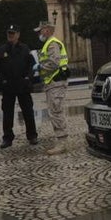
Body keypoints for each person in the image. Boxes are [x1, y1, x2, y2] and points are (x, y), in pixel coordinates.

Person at [0, 24, 38, 147]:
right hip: (8, 86)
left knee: (28, 111)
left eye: (13, 33)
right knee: (7, 113)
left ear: (18, 35)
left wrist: (28, 78)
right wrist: (2, 80)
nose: (10, 36)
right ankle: (7, 138)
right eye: (9, 33)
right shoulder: (1, 50)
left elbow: (32, 65)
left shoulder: (25, 49)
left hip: (22, 85)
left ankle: (32, 135)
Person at [35, 20, 70, 154]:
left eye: (41, 30)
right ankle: (62, 140)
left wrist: (40, 67)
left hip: (56, 81)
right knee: (55, 110)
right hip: (53, 82)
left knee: (56, 111)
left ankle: (62, 142)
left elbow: (54, 63)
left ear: (47, 30)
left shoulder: (52, 43)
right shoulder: (49, 43)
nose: (39, 33)